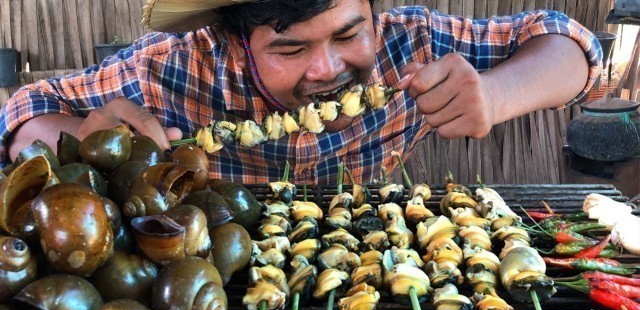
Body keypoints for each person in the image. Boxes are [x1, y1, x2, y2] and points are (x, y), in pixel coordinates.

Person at [0, 0, 601, 184]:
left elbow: (574, 46)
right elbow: (21, 111)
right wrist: (86, 138)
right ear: (236, 43)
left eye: (348, 34)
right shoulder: (170, 70)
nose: (326, 69)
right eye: (290, 50)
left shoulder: (413, 43)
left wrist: (497, 94)